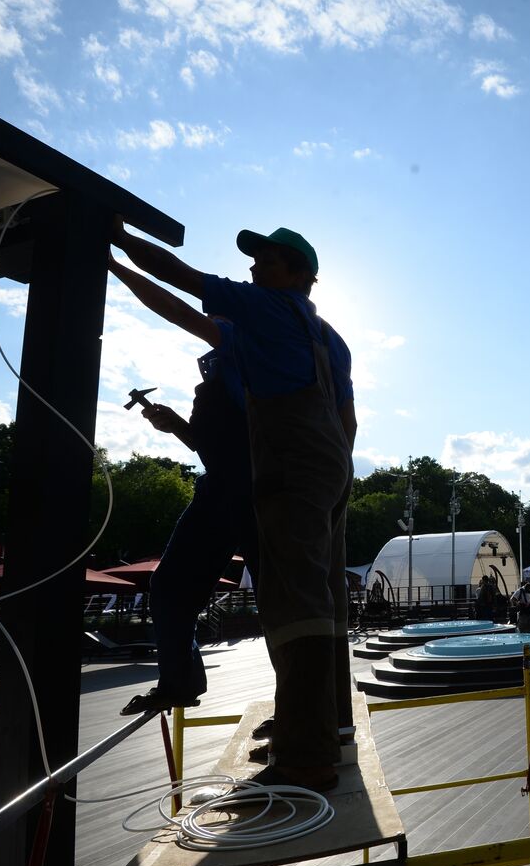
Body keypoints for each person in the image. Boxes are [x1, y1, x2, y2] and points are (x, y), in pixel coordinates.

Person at [112, 220, 356, 792]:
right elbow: (347, 417)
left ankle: (307, 757)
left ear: (301, 277)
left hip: (287, 471)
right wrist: (334, 471)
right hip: (329, 469)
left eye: (268, 262)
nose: (253, 268)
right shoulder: (327, 338)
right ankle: (325, 724)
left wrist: (117, 245)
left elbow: (179, 286)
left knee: (295, 607)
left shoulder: (267, 310)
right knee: (320, 603)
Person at [109, 257, 260, 716]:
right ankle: (179, 680)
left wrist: (115, 263)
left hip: (259, 493)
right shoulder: (211, 385)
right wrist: (175, 425)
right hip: (221, 491)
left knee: (278, 601)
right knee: (169, 586)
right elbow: (215, 449)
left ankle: (300, 707)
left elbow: (176, 308)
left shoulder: (249, 359)